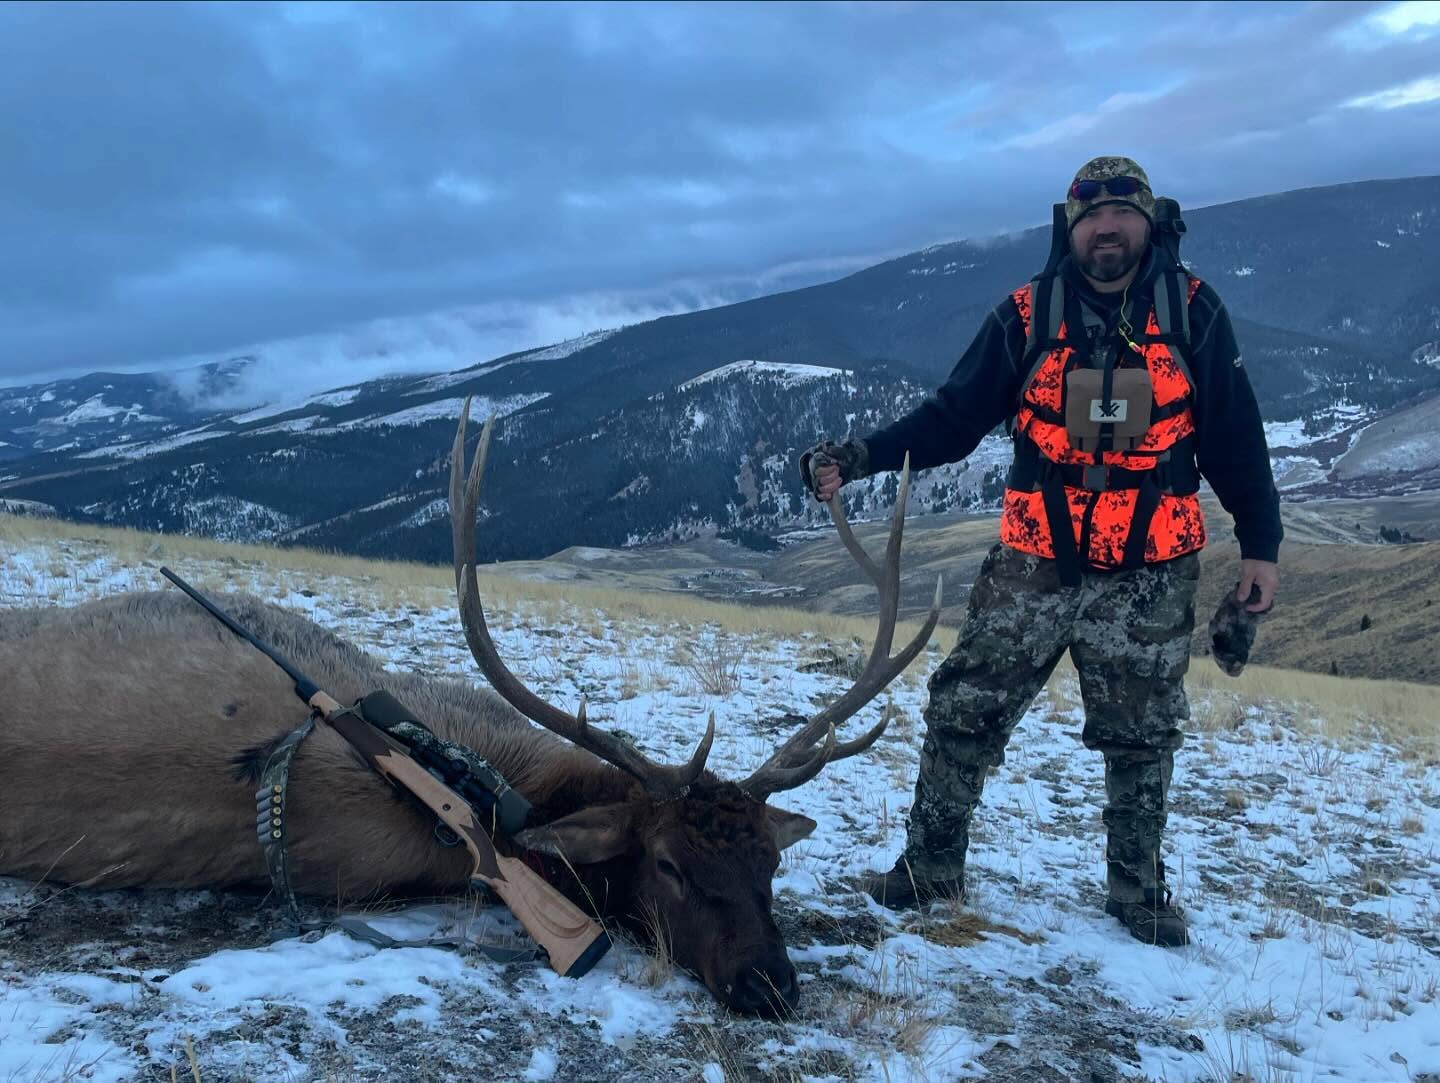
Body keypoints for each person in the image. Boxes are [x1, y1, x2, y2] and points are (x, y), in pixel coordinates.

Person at [801, 156, 1280, 947]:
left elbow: (1235, 435)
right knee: (964, 710)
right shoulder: (1025, 316)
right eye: (1093, 217)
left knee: (1142, 735)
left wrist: (1261, 543)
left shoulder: (1195, 311)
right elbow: (952, 418)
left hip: (1151, 569)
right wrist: (860, 456)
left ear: (1150, 222)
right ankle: (929, 867)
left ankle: (1137, 890)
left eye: (1123, 214)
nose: (1107, 229)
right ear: (1071, 225)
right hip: (1035, 562)